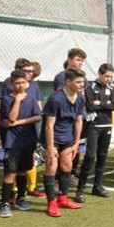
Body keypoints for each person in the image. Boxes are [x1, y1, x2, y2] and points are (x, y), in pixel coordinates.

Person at [0, 70, 42, 218]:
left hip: (28, 140)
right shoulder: (7, 100)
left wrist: (18, 122)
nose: (21, 85)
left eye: (23, 82)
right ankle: (5, 203)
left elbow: (36, 117)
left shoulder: (32, 98)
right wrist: (17, 100)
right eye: (17, 83)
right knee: (10, 173)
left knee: (23, 171)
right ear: (12, 84)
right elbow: (10, 118)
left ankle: (20, 198)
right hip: (12, 143)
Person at [41, 68, 86, 217]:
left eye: (82, 82)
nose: (81, 85)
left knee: (67, 166)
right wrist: (50, 147)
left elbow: (79, 121)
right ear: (68, 82)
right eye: (78, 82)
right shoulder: (56, 98)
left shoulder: (80, 98)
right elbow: (49, 125)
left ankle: (63, 199)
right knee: (52, 167)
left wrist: (76, 143)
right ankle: (51, 203)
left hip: (68, 138)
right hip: (52, 138)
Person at [76, 64, 114, 203]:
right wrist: (105, 104)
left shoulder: (111, 89)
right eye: (106, 76)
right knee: (90, 157)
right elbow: (90, 106)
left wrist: (101, 104)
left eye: (111, 77)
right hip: (94, 126)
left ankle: (97, 186)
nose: (109, 79)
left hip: (107, 126)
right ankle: (80, 190)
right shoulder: (90, 88)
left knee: (102, 157)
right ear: (99, 74)